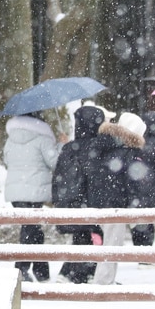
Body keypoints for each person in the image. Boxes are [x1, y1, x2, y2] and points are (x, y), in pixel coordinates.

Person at [85, 113, 144, 285]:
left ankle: (104, 278)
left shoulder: (103, 145)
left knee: (108, 242)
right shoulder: (127, 152)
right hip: (116, 203)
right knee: (113, 243)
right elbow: (131, 181)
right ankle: (104, 281)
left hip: (99, 200)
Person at [2, 115, 61, 282]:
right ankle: (22, 271)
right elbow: (55, 162)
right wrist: (62, 145)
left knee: (31, 229)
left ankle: (39, 271)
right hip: (36, 190)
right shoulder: (43, 139)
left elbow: (6, 160)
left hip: (15, 191)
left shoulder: (10, 140)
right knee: (31, 230)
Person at [51, 104, 103, 284]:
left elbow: (58, 176)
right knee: (91, 236)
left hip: (71, 200)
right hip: (90, 202)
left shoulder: (69, 149)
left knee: (81, 237)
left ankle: (71, 271)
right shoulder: (98, 148)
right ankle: (82, 273)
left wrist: (58, 199)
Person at [129, 111, 155, 249]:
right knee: (149, 216)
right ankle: (146, 248)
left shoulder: (137, 139)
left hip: (135, 183)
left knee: (137, 215)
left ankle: (138, 244)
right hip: (152, 185)